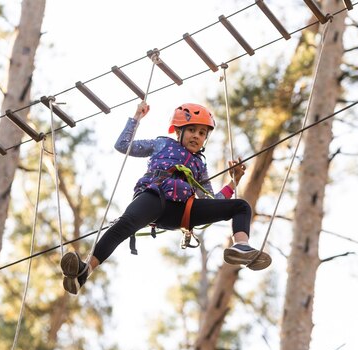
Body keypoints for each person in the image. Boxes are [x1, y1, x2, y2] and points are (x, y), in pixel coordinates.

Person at [60, 101, 271, 294]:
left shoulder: (200, 165)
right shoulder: (162, 144)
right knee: (124, 225)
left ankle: (241, 246)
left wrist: (232, 183)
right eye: (192, 130)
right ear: (178, 130)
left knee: (241, 206)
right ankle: (84, 271)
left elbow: (212, 200)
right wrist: (136, 118)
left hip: (183, 211)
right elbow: (123, 145)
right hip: (154, 197)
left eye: (202, 133)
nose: (197, 136)